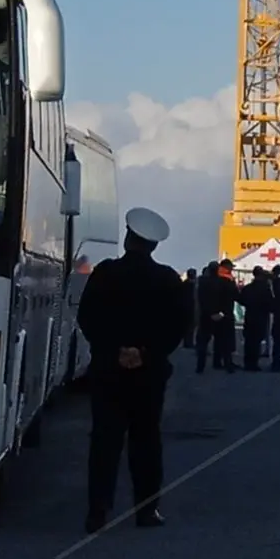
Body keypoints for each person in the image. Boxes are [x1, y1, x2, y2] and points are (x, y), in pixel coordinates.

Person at [77, 207, 188, 532]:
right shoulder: (167, 279)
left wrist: (115, 350)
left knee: (104, 442)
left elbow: (87, 317)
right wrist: (145, 353)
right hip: (148, 374)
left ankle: (97, 512)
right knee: (146, 442)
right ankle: (146, 510)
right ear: (154, 246)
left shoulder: (106, 273)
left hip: (108, 371)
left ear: (127, 238)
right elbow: (178, 325)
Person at [196, 260, 239, 373]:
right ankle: (227, 365)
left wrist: (207, 312)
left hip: (206, 315)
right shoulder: (225, 282)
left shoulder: (202, 282)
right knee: (224, 342)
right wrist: (222, 313)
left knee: (203, 343)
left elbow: (201, 299)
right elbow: (231, 297)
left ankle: (200, 367)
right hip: (221, 315)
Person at [239, 266, 274, 371]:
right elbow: (270, 303)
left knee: (249, 340)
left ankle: (247, 362)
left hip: (249, 315)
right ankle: (254, 363)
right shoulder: (265, 288)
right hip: (261, 316)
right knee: (257, 341)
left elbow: (241, 300)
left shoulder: (247, 288)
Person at [181, 268, 199, 349]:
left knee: (187, 325)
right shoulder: (195, 284)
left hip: (185, 306)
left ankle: (187, 342)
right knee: (191, 326)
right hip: (192, 306)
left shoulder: (184, 283)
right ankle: (189, 342)